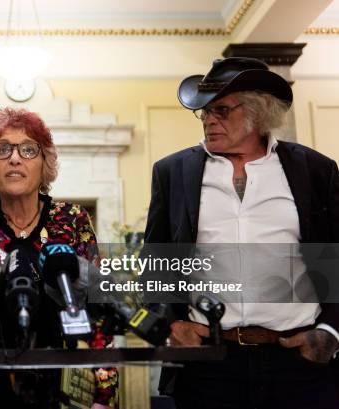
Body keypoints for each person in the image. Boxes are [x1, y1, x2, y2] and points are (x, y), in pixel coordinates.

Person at [144, 57, 339, 409]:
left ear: (257, 112)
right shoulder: (172, 172)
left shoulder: (314, 170)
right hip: (209, 365)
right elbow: (155, 265)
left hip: (298, 361)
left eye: (220, 110)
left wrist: (330, 332)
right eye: (203, 112)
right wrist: (171, 324)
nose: (208, 120)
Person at [0, 107, 118, 409]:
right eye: (3, 149)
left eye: (28, 149)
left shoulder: (72, 219)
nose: (15, 158)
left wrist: (104, 397)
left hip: (62, 377)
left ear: (45, 163)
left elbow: (96, 311)